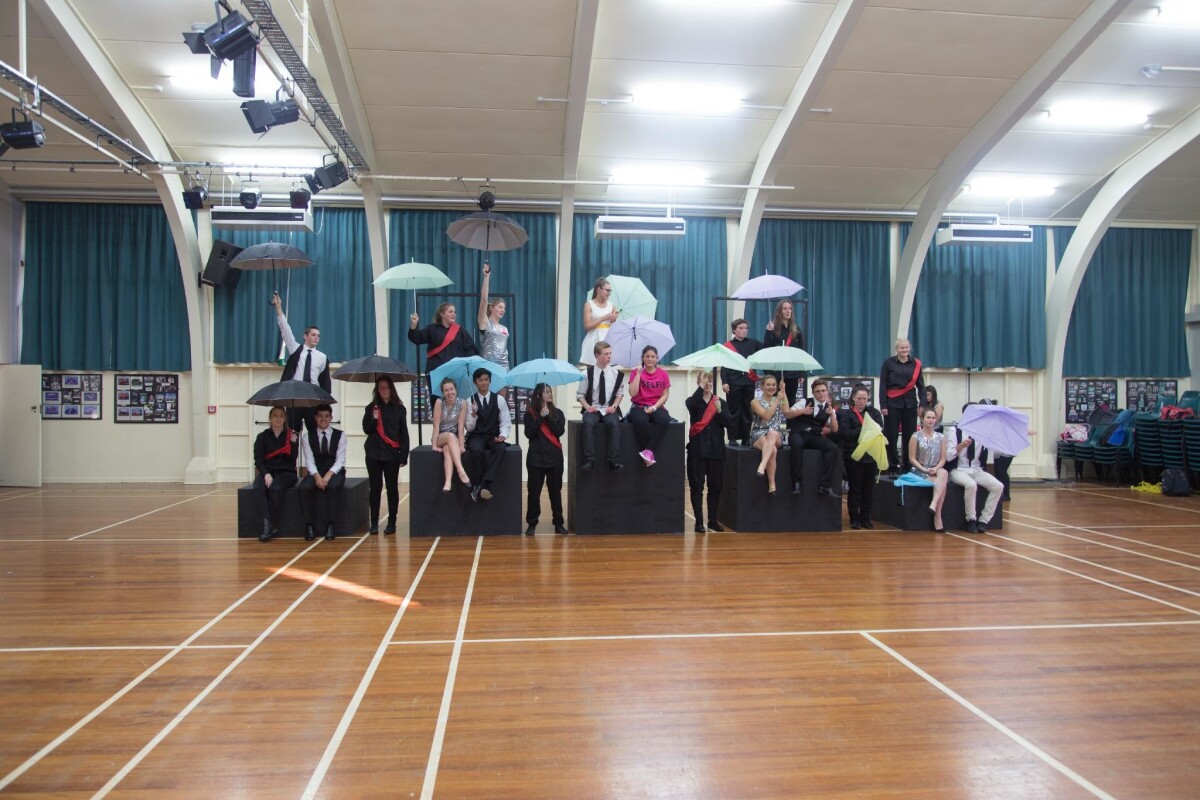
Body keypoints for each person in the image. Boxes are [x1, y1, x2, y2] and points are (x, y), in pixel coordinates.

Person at [271, 292, 330, 434]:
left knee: (314, 434)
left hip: (312, 399)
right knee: (292, 433)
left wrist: (324, 404)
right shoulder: (296, 349)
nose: (316, 338)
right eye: (313, 335)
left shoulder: (322, 357)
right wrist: (278, 308)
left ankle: (313, 450)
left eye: (318, 336)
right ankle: (292, 449)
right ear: (305, 336)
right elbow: (285, 329)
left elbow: (325, 383)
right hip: (295, 398)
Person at [687, 370, 734, 532]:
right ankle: (699, 522)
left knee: (715, 487)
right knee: (697, 487)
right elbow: (691, 405)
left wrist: (720, 411)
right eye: (704, 381)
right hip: (697, 451)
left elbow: (729, 423)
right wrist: (701, 387)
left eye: (709, 381)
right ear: (698, 383)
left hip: (716, 451)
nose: (707, 384)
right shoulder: (693, 401)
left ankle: (712, 520)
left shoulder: (720, 402)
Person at [362, 376, 410, 535]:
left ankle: (391, 522)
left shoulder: (400, 409)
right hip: (373, 453)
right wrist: (374, 419)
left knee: (392, 488)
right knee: (375, 488)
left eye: (386, 387)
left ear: (391, 389)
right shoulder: (371, 408)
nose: (384, 390)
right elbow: (366, 429)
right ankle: (374, 523)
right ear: (377, 390)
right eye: (381, 387)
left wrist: (404, 455)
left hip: (391, 454)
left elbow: (403, 433)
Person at [945, 405, 1003, 533]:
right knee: (971, 485)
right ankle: (971, 519)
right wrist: (960, 446)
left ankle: (984, 520)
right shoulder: (955, 431)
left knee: (998, 486)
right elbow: (948, 457)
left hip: (977, 469)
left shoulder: (982, 432)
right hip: (958, 469)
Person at [297, 403, 347, 542]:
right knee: (303, 488)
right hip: (316, 471)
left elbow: (340, 460)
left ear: (331, 418)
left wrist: (328, 476)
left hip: (335, 471)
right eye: (320, 416)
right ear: (315, 418)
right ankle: (309, 526)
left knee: (333, 486)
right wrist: (318, 477)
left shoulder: (340, 435)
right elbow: (309, 461)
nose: (323, 419)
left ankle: (331, 525)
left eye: (326, 416)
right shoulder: (307, 437)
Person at [837, 385, 884, 529]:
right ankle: (854, 519)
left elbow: (879, 429)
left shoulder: (874, 413)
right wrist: (863, 429)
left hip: (871, 455)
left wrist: (870, 430)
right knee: (855, 488)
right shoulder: (846, 414)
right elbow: (845, 434)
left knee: (868, 489)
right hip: (854, 455)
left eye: (864, 398)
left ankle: (866, 518)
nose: (862, 401)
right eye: (859, 398)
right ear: (853, 398)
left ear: (868, 398)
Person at [785, 378, 841, 498]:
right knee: (797, 445)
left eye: (823, 391)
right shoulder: (805, 401)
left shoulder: (829, 408)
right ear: (813, 393)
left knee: (832, 448)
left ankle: (825, 486)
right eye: (818, 391)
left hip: (814, 435)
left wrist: (832, 415)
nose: (821, 393)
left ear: (827, 391)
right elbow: (788, 414)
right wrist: (802, 411)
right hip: (798, 432)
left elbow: (835, 429)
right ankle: (797, 482)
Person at [524, 383, 567, 536]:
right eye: (546, 392)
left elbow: (559, 431)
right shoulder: (530, 414)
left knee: (555, 492)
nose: (549, 394)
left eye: (550, 391)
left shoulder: (558, 413)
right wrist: (540, 418)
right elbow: (529, 433)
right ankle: (532, 523)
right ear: (538, 395)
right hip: (535, 458)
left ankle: (558, 523)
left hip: (554, 458)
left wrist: (548, 417)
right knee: (533, 493)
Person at [252, 405, 299, 542]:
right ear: (270, 418)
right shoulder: (262, 437)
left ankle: (270, 524)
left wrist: (293, 445)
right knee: (258, 487)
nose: (278, 418)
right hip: (268, 471)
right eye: (275, 415)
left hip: (286, 472)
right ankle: (268, 525)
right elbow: (258, 460)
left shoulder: (291, 435)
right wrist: (266, 474)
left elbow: (292, 461)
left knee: (276, 488)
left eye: (281, 416)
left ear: (285, 419)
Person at [408, 302, 479, 393]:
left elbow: (471, 349)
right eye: (450, 311)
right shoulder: (432, 329)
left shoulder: (461, 331)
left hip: (455, 372)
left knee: (455, 398)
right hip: (436, 372)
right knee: (436, 398)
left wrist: (464, 364)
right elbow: (416, 338)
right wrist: (413, 325)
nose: (454, 314)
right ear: (442, 314)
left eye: (454, 312)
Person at [464, 367, 511, 502]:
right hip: (476, 436)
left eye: (486, 380)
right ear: (475, 382)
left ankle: (481, 485)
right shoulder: (469, 401)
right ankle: (484, 485)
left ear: (490, 381)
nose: (484, 382)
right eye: (480, 380)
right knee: (476, 450)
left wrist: (502, 435)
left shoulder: (499, 400)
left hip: (493, 436)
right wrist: (473, 415)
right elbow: (469, 427)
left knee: (500, 448)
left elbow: (505, 422)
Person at [577, 340, 625, 470]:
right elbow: (580, 395)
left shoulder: (616, 374)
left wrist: (614, 406)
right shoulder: (586, 374)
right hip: (593, 408)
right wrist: (587, 407)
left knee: (614, 424)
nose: (609, 356)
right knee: (588, 423)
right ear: (597, 355)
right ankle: (589, 460)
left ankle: (613, 460)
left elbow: (620, 394)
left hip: (609, 408)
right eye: (606, 354)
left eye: (610, 353)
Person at [880, 338, 924, 474]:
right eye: (901, 348)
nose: (904, 350)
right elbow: (883, 385)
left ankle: (907, 465)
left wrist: (922, 404)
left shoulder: (916, 364)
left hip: (910, 404)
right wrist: (883, 405)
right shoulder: (888, 363)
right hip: (892, 404)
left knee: (909, 436)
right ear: (896, 349)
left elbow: (921, 386)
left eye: (906, 348)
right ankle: (892, 466)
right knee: (891, 436)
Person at [627, 345, 671, 466]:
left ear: (657, 358)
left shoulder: (663, 374)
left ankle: (648, 451)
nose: (650, 359)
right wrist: (638, 375)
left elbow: (665, 395)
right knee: (641, 421)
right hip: (639, 406)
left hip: (656, 405)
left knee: (664, 419)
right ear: (643, 358)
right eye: (647, 356)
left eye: (653, 356)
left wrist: (655, 407)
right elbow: (632, 393)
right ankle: (647, 453)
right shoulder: (635, 372)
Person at [721, 318, 762, 446]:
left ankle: (746, 437)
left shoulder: (753, 343)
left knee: (747, 411)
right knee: (733, 410)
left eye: (746, 328)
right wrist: (724, 382)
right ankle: (732, 438)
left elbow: (766, 348)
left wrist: (769, 331)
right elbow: (724, 365)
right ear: (734, 330)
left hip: (749, 381)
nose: (744, 330)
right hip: (733, 381)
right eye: (741, 328)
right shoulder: (728, 346)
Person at [908, 409, 948, 532]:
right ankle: (938, 517)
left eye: (933, 418)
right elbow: (912, 458)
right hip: (919, 468)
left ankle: (933, 504)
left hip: (935, 468)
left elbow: (943, 459)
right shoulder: (915, 436)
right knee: (941, 484)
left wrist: (936, 468)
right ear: (922, 419)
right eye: (928, 417)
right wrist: (925, 469)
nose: (931, 420)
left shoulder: (941, 437)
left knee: (944, 472)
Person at [762, 299, 806, 405]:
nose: (788, 311)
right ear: (779, 311)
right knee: (775, 402)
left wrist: (802, 373)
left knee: (790, 401)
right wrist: (768, 332)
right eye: (784, 308)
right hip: (776, 373)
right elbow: (766, 350)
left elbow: (801, 353)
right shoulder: (773, 329)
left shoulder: (797, 331)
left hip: (793, 373)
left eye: (790, 308)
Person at [748, 374, 786, 494]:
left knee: (772, 432)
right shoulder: (755, 402)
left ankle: (762, 465)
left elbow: (787, 411)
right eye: (768, 385)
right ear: (762, 386)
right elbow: (766, 416)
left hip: (775, 434)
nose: (771, 387)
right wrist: (776, 401)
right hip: (759, 433)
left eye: (774, 385)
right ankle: (772, 484)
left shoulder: (779, 398)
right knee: (772, 450)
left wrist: (783, 392)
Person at [432, 376, 470, 493]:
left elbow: (461, 426)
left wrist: (462, 445)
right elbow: (436, 426)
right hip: (441, 436)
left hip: (455, 438)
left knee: (447, 449)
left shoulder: (462, 403)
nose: (449, 392)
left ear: (455, 389)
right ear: (443, 392)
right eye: (446, 390)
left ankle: (448, 482)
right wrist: (434, 445)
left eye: (451, 389)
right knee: (449, 436)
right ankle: (461, 470)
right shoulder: (439, 402)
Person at [477, 263, 510, 393]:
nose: (503, 310)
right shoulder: (485, 322)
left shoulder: (505, 328)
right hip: (487, 367)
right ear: (492, 308)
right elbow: (484, 300)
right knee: (487, 399)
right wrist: (487, 277)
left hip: (503, 367)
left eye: (504, 308)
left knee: (501, 401)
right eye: (500, 307)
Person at [580, 277, 620, 365]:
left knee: (607, 368)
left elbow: (613, 327)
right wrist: (604, 317)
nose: (609, 293)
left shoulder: (611, 305)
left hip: (607, 340)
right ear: (599, 290)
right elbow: (587, 326)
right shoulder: (589, 304)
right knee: (592, 369)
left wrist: (614, 319)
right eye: (607, 290)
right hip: (593, 340)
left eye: (610, 291)